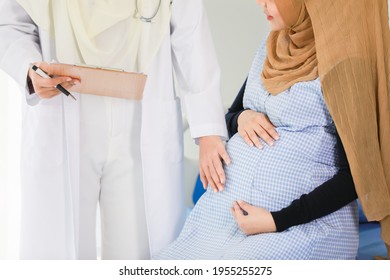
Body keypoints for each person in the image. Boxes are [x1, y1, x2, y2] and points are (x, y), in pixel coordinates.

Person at [154, 0, 389, 260]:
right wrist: (243, 117)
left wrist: (276, 220)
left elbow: (355, 176)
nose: (261, 3)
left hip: (302, 228)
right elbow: (231, 115)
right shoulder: (273, 47)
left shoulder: (346, 66)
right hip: (224, 220)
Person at [0, 0, 230, 259]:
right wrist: (28, 69)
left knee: (136, 255)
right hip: (63, 105)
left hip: (140, 116)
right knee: (57, 254)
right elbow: (11, 24)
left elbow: (190, 33)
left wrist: (208, 130)